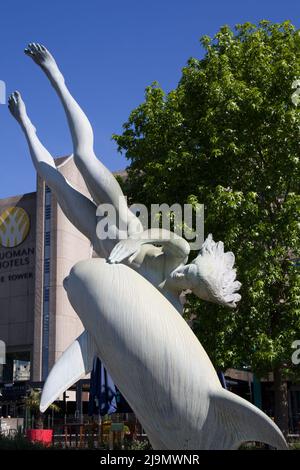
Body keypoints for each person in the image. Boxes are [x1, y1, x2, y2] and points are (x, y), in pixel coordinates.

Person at [8, 43, 241, 313]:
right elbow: (165, 235)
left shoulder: (170, 301)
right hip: (120, 220)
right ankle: (56, 78)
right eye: (190, 271)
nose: (183, 274)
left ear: (195, 292)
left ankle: (25, 124)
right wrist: (137, 241)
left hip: (99, 239)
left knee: (53, 180)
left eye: (189, 279)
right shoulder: (179, 255)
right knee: (83, 157)